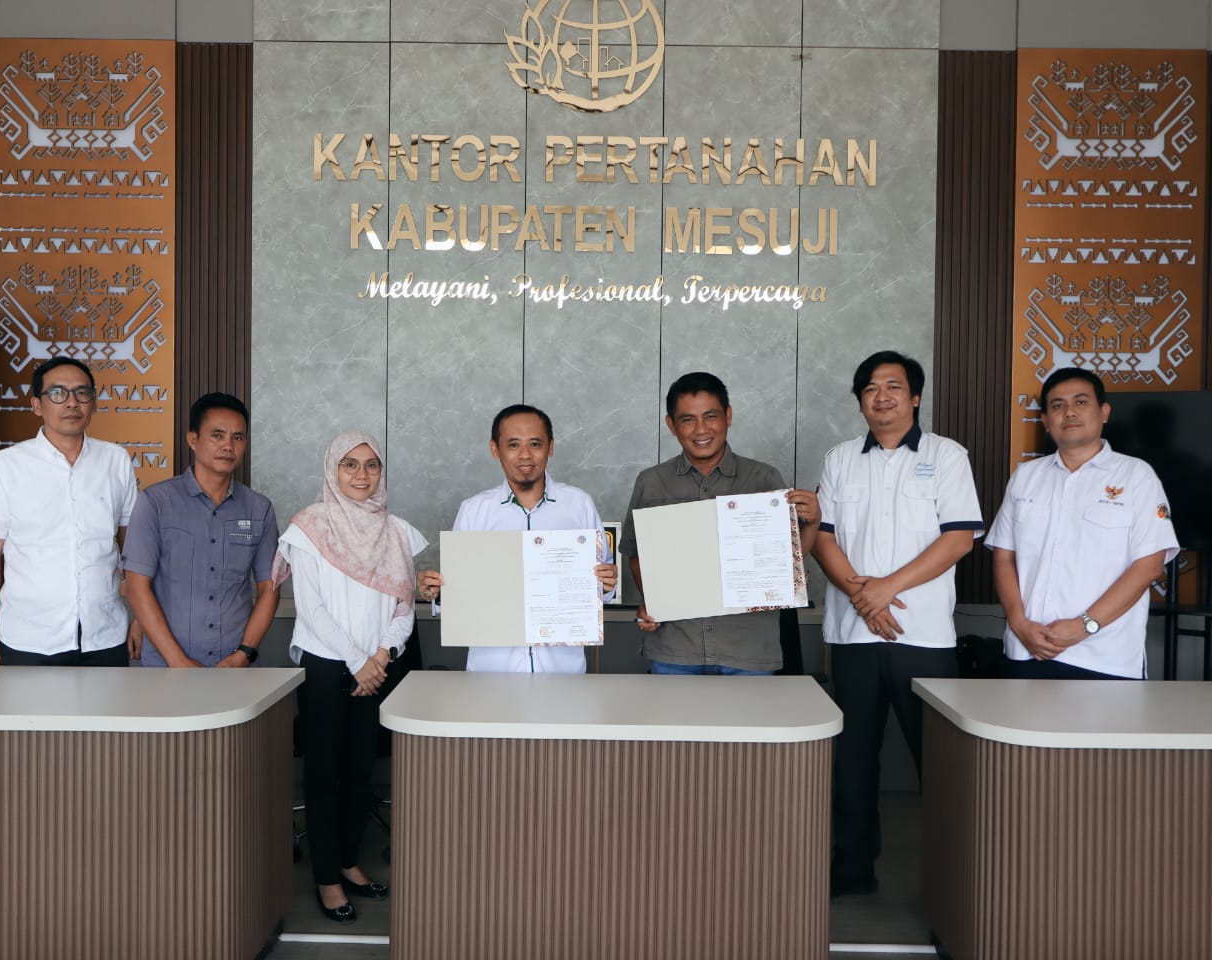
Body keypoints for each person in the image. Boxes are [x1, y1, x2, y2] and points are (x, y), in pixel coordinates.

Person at [812, 350, 984, 897]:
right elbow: (822, 539)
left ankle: (952, 879)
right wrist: (863, 598)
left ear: (914, 397)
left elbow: (958, 539)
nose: (881, 396)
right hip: (853, 636)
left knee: (939, 761)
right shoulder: (840, 458)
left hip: (924, 637)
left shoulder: (947, 456)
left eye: (892, 386)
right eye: (870, 388)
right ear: (860, 401)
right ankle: (852, 868)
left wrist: (885, 589)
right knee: (852, 761)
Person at [273, 430, 426, 924]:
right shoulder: (308, 528)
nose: (362, 474)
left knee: (361, 768)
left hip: (378, 666)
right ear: (332, 469)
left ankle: (347, 859)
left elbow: (404, 606)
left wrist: (381, 654)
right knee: (324, 773)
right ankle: (326, 877)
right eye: (350, 464)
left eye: (371, 465)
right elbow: (311, 608)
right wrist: (358, 660)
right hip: (326, 664)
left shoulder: (396, 531)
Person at [986, 366, 1179, 679]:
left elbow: (1149, 565)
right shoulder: (1026, 477)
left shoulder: (1136, 476)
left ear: (1104, 412)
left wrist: (1084, 626)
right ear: (1045, 420)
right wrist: (1019, 624)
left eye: (1081, 402)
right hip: (1026, 649)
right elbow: (1004, 556)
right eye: (1057, 405)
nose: (1069, 412)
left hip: (1104, 657)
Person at [620, 372, 819, 674]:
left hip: (748, 649)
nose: (701, 429)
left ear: (728, 416)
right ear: (671, 425)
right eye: (687, 419)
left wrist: (813, 523)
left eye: (710, 416)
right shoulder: (652, 482)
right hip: (676, 649)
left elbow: (784, 566)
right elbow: (636, 553)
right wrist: (654, 599)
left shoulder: (763, 479)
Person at [416, 404, 617, 673]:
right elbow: (457, 599)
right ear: (495, 449)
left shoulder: (579, 505)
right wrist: (439, 593)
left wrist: (607, 583)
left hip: (563, 673)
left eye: (535, 444)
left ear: (551, 447)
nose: (525, 455)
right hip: (491, 672)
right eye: (513, 445)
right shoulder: (474, 511)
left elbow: (603, 589)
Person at [0, 357, 137, 666]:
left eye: (82, 393)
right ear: (37, 405)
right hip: (28, 637)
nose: (72, 402)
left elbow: (133, 549)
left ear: (94, 403)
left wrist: (139, 617)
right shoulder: (4, 466)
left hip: (105, 635)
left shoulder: (116, 461)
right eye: (58, 393)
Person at [123, 393, 279, 667]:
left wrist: (243, 655)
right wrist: (178, 661)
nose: (228, 446)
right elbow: (137, 588)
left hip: (235, 668)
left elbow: (270, 587)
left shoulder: (259, 509)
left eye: (238, 437)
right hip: (166, 669)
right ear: (192, 440)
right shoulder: (156, 503)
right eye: (217, 435)